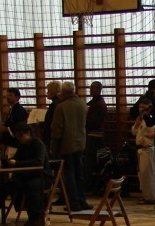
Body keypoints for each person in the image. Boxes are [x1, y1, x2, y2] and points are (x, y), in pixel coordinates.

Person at [0, 123, 49, 226]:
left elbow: (38, 162)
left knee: (32, 185)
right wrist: (4, 162)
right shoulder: (22, 145)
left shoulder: (39, 144)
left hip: (41, 176)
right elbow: (16, 159)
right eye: (17, 136)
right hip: (25, 177)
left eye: (21, 136)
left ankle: (36, 217)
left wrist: (17, 163)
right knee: (2, 189)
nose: (19, 139)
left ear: (28, 133)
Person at [50, 81, 89, 211]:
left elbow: (57, 130)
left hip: (66, 145)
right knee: (80, 174)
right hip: (80, 143)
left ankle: (73, 203)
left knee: (69, 175)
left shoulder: (61, 107)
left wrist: (53, 148)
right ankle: (82, 200)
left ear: (64, 92)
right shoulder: (82, 104)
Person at [131, 95, 155, 204]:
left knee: (148, 174)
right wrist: (136, 124)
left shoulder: (151, 119)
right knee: (142, 175)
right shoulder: (140, 119)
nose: (141, 109)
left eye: (144, 107)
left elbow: (152, 133)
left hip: (148, 149)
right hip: (140, 149)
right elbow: (134, 132)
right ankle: (145, 195)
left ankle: (150, 197)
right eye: (140, 107)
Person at [84, 81, 107, 191]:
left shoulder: (99, 104)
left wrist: (83, 120)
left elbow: (94, 123)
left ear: (99, 89)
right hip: (91, 135)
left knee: (91, 161)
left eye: (93, 88)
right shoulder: (94, 102)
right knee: (88, 161)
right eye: (90, 88)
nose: (90, 90)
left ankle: (91, 186)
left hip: (95, 136)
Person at [0, 87, 28, 158]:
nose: (8, 97)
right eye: (7, 96)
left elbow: (20, 127)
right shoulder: (12, 109)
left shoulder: (20, 110)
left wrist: (6, 129)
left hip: (15, 143)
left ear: (17, 97)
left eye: (10, 95)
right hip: (9, 142)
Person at [40, 81, 61, 151]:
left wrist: (40, 124)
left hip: (51, 135)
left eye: (48, 91)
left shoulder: (54, 105)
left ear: (53, 91)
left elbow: (50, 122)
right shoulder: (61, 102)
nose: (47, 93)